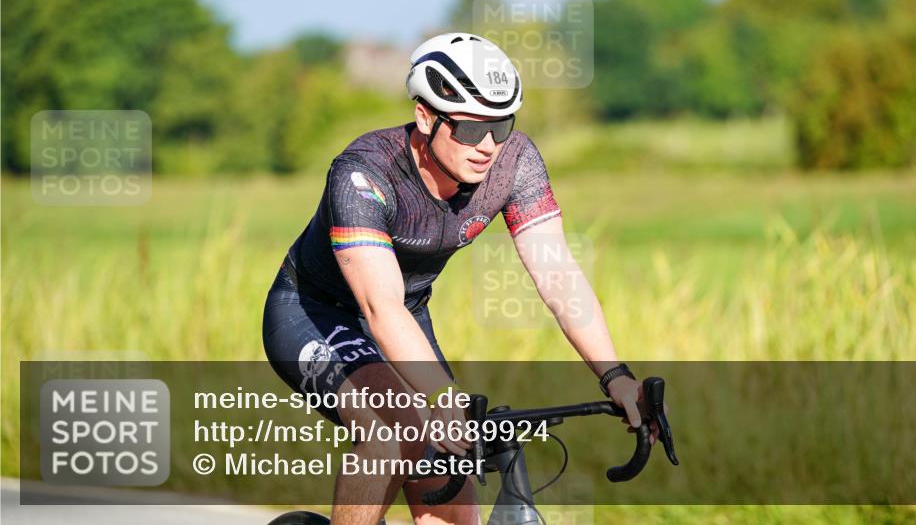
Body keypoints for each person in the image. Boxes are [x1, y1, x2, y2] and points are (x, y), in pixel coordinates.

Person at [263, 33, 656, 525]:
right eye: (470, 131)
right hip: (314, 313)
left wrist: (614, 375)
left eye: (501, 125)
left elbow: (560, 277)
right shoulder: (364, 173)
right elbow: (380, 308)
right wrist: (440, 398)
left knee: (450, 468)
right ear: (425, 116)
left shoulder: (515, 162)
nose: (488, 145)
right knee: (395, 430)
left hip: (406, 316)